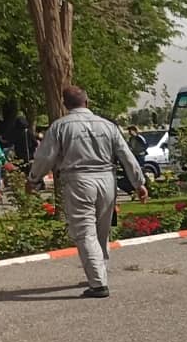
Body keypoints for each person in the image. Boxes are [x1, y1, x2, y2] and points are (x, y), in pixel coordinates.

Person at [28, 86, 147, 298]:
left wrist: (33, 179)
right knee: (102, 230)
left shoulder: (60, 127)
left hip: (79, 181)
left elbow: (45, 157)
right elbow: (126, 155)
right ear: (87, 102)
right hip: (107, 180)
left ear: (65, 105)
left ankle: (98, 284)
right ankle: (100, 271)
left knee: (85, 232)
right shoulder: (108, 125)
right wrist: (139, 183)